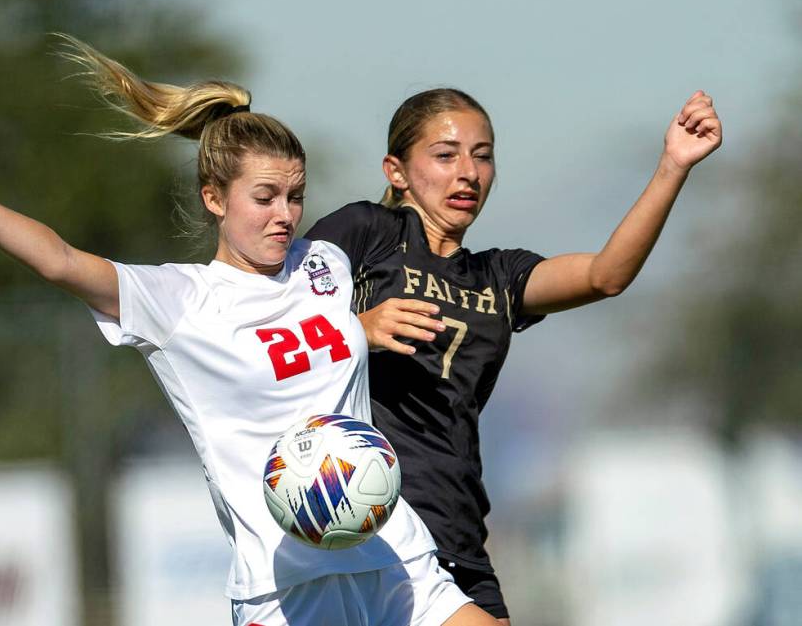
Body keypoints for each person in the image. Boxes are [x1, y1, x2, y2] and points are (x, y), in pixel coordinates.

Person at [0, 39, 507, 626]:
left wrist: (370, 324)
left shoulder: (325, 265)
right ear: (214, 197)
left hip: (392, 554)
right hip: (284, 585)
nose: (284, 215)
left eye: (294, 196)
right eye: (264, 197)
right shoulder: (180, 300)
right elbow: (60, 260)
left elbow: (418, 248)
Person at [306, 88, 723, 623]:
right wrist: (357, 329)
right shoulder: (365, 232)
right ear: (397, 170)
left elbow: (606, 275)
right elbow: (274, 323)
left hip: (459, 533)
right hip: (368, 524)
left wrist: (672, 166)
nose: (468, 172)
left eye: (482, 155)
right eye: (445, 154)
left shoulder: (499, 275)